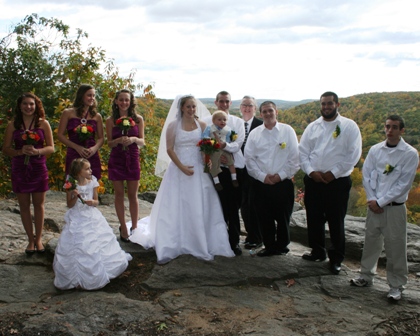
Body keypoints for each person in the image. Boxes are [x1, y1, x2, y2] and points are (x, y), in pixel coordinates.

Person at [129, 95, 235, 264]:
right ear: (182, 108)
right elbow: (170, 149)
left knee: (201, 203)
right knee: (177, 204)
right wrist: (181, 167)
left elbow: (204, 147)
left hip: (199, 170)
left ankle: (202, 240)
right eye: (188, 107)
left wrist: (206, 160)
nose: (191, 110)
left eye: (193, 107)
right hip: (179, 169)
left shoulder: (201, 125)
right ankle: (177, 241)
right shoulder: (173, 126)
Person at [350, 115, 419, 301]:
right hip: (374, 206)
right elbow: (367, 175)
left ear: (402, 130)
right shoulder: (375, 150)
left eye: (395, 127)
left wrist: (381, 202)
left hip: (394, 208)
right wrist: (372, 199)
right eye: (387, 126)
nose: (390, 130)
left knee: (395, 246)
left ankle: (396, 285)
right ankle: (366, 275)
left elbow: (404, 184)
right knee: (371, 242)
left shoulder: (410, 154)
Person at [299, 91, 362, 274]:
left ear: (337, 105)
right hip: (314, 180)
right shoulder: (313, 127)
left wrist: (333, 174)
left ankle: (336, 259)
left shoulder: (349, 126)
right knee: (314, 218)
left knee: (336, 221)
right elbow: (303, 152)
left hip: (337, 182)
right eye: (323, 104)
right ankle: (317, 252)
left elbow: (354, 154)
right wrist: (311, 172)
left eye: (329, 103)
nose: (326, 107)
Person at [53, 158, 132, 290]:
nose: (91, 170)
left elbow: (96, 201)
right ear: (79, 171)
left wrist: (92, 202)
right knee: (78, 243)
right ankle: (76, 277)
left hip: (91, 215)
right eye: (87, 168)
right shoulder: (70, 184)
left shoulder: (92, 182)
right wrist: (73, 195)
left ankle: (101, 271)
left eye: (90, 168)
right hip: (77, 216)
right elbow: (70, 205)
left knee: (95, 242)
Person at [245, 101, 300, 256]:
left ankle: (282, 246)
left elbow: (295, 158)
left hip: (282, 183)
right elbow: (249, 159)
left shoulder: (287, 131)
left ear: (276, 111)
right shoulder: (255, 134)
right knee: (264, 217)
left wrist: (279, 176)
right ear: (260, 114)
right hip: (261, 183)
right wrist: (262, 177)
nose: (268, 114)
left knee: (283, 217)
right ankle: (269, 246)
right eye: (264, 111)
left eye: (270, 110)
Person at [3, 93, 54, 254]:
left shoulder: (43, 124)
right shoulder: (13, 125)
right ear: (20, 106)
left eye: (31, 104)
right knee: (24, 206)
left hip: (38, 167)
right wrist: (19, 152)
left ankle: (38, 240)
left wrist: (37, 151)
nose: (28, 107)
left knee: (39, 205)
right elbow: (5, 149)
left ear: (36, 105)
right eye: (25, 104)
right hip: (20, 168)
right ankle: (30, 241)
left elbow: (51, 148)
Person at [203, 91, 245, 256]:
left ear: (231, 103)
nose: (224, 104)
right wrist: (216, 157)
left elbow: (238, 144)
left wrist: (224, 148)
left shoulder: (238, 122)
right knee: (216, 205)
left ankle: (234, 242)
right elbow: (204, 143)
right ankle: (216, 240)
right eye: (221, 101)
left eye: (227, 101)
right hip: (216, 169)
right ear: (216, 102)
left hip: (234, 168)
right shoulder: (207, 122)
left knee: (233, 207)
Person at [106, 89, 145, 242]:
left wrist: (134, 139)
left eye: (126, 100)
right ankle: (123, 227)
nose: (124, 102)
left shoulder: (139, 119)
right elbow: (109, 143)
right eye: (121, 99)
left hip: (133, 157)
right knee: (119, 194)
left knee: (133, 195)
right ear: (116, 101)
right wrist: (117, 141)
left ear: (131, 101)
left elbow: (142, 141)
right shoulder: (110, 120)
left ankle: (134, 227)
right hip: (117, 159)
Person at [57, 84, 104, 180]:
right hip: (74, 153)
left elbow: (101, 138)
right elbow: (60, 135)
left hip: (91, 154)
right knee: (72, 185)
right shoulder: (68, 113)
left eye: (93, 96)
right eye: (89, 95)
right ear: (81, 96)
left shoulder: (97, 116)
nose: (92, 98)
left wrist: (94, 149)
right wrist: (77, 147)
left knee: (92, 185)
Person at [240, 95, 263, 250]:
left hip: (258, 171)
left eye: (250, 105)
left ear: (255, 108)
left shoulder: (261, 125)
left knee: (256, 205)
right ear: (240, 108)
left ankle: (258, 236)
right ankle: (250, 235)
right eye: (244, 105)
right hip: (240, 171)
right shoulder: (236, 125)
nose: (247, 108)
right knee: (244, 205)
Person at [202, 110, 238, 191]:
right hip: (214, 149)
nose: (222, 121)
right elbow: (204, 136)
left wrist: (227, 143)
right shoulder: (209, 128)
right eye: (219, 119)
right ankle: (216, 182)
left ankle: (234, 178)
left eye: (224, 120)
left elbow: (228, 140)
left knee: (231, 162)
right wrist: (210, 141)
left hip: (224, 149)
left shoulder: (228, 130)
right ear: (213, 121)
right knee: (213, 165)